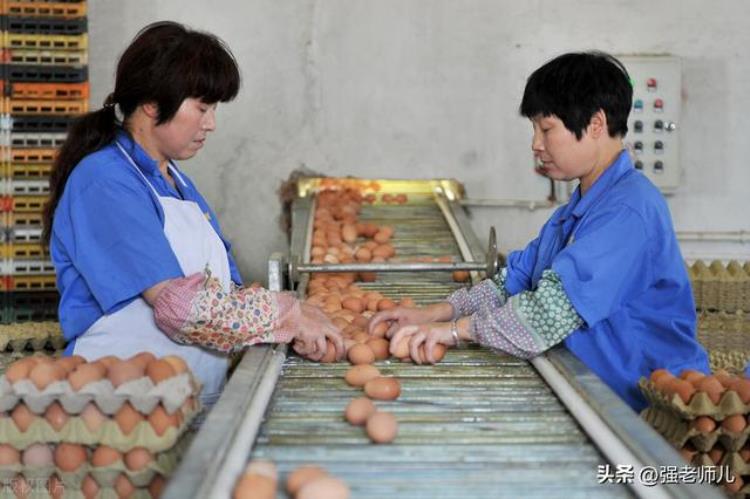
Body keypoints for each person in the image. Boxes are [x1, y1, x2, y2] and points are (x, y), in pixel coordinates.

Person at [368, 51, 710, 411]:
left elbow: (549, 313)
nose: (536, 144)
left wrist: (455, 332)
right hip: (596, 395)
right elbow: (512, 282)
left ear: (596, 123)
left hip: (644, 408)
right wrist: (436, 313)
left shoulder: (627, 212)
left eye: (546, 129)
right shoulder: (578, 210)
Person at [43, 21, 343, 410]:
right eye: (201, 107)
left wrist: (295, 318)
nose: (211, 124)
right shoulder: (104, 182)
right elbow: (179, 309)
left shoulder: (177, 183)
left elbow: (224, 295)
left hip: (180, 408)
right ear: (152, 103)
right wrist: (284, 314)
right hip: (116, 412)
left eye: (213, 108)